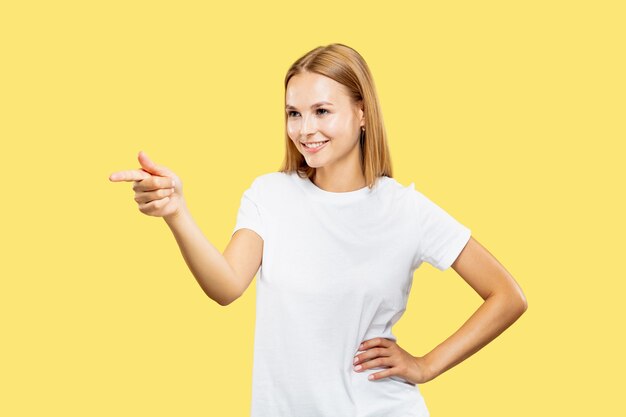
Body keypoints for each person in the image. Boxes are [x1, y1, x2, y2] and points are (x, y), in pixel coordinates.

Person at [109, 43, 528, 417]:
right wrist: (177, 212)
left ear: (362, 113)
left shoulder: (405, 210)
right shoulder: (270, 195)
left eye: (322, 111)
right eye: (294, 113)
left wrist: (426, 365)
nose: (305, 129)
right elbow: (226, 286)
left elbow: (508, 297)